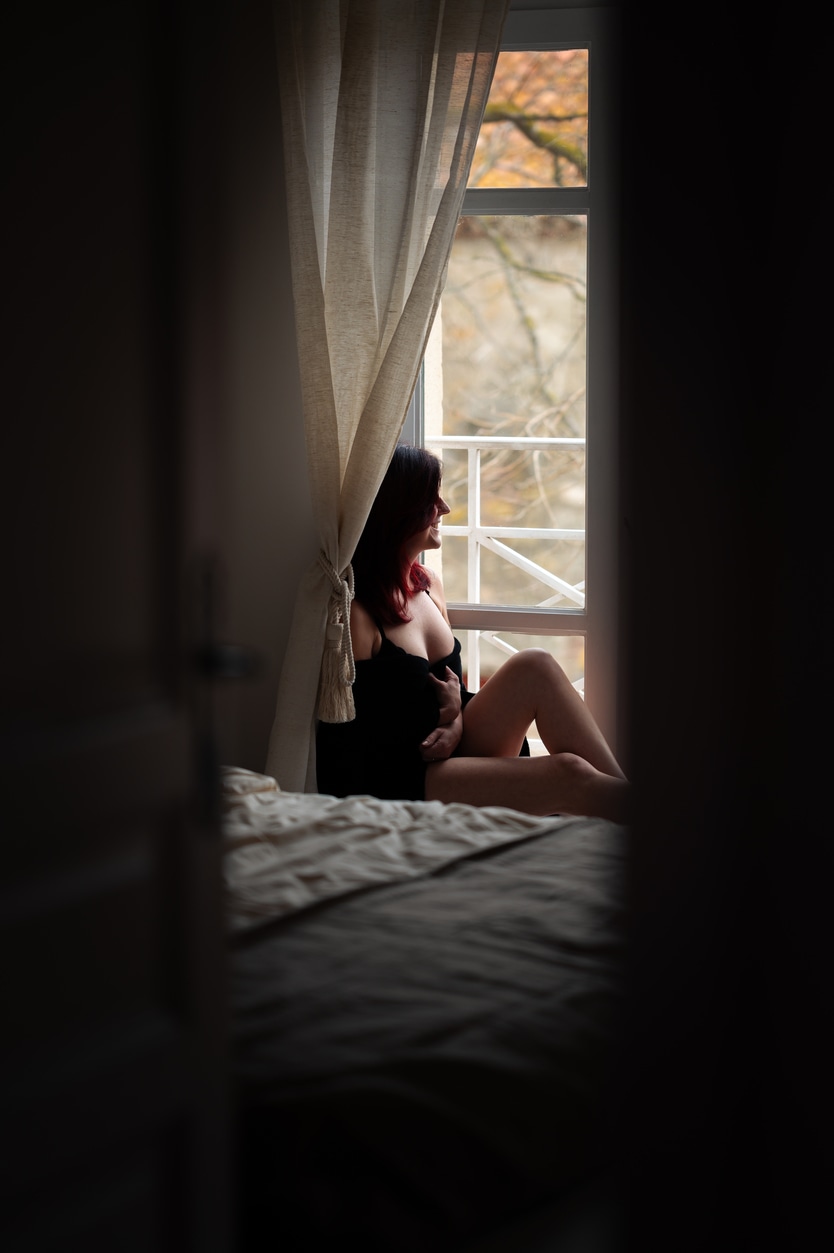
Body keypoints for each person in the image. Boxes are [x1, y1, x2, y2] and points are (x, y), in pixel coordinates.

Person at [316, 445, 630, 823]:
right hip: (399, 775)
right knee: (568, 773)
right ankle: (662, 823)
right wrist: (444, 720)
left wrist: (455, 720)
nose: (445, 508)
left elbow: (452, 692)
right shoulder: (356, 612)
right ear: (399, 511)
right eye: (431, 498)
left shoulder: (428, 584)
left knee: (536, 665)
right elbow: (358, 739)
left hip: (447, 749)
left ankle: (632, 815)